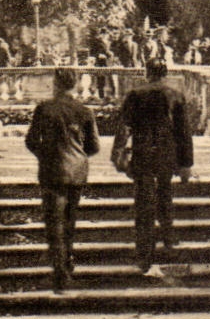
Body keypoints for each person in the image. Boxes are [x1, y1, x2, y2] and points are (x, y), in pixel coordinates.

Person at [113, 60, 195, 271]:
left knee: (143, 202)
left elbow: (124, 127)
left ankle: (144, 251)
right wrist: (186, 163)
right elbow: (184, 133)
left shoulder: (135, 95)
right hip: (167, 155)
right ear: (165, 73)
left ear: (147, 73)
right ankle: (168, 240)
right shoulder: (175, 95)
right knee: (165, 196)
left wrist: (118, 153)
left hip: (143, 154)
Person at [25, 69, 101, 291]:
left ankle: (60, 273)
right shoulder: (84, 111)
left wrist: (45, 155)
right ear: (76, 84)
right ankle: (67, 261)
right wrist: (78, 156)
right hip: (77, 172)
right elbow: (93, 147)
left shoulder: (44, 109)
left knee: (54, 223)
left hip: (52, 170)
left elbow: (31, 140)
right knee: (70, 220)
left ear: (56, 83)